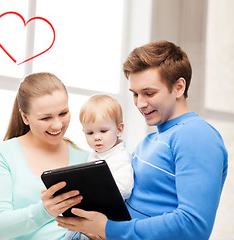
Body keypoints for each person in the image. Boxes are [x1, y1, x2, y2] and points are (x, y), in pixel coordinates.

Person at [55, 40, 228, 240]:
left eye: (149, 93)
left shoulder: (196, 135)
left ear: (179, 87)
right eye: (135, 94)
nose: (140, 103)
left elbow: (193, 225)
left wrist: (109, 229)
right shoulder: (151, 140)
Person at [0, 72, 89, 240]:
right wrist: (44, 211)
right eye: (46, 117)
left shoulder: (86, 158)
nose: (57, 125)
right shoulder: (2, 154)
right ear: (25, 117)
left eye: (63, 113)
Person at [63, 94, 134, 240]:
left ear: (119, 130)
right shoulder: (95, 154)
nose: (96, 137)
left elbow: (125, 188)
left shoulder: (121, 157)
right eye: (90, 132)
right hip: (90, 215)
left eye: (103, 131)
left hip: (110, 219)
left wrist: (98, 195)